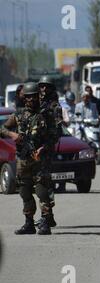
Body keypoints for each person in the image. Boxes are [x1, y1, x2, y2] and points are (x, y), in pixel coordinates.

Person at [0, 82, 59, 235]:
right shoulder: (18, 115)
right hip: (23, 159)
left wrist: (42, 149)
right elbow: (2, 129)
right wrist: (13, 135)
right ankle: (29, 223)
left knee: (41, 191)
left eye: (34, 97)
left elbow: (54, 137)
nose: (31, 100)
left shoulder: (46, 114)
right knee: (24, 191)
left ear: (38, 97)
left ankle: (45, 221)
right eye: (28, 97)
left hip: (40, 159)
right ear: (24, 98)